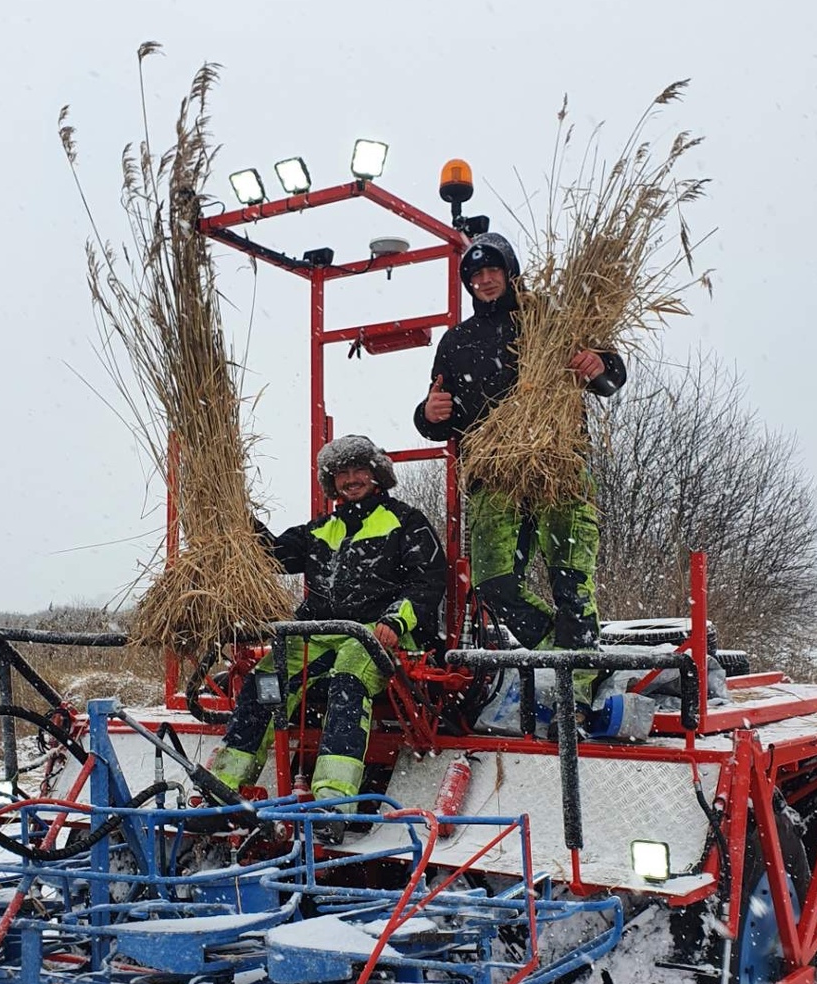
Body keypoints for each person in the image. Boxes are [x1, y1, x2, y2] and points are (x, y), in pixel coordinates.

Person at [413, 233, 626, 707]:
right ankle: (582, 665)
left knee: (571, 581)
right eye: (474, 274)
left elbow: (610, 380)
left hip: (560, 467)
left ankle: (577, 697)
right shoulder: (456, 341)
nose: (484, 280)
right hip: (494, 478)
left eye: (492, 271)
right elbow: (436, 417)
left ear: (510, 273)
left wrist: (601, 364)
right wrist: (428, 413)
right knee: (495, 585)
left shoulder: (549, 319)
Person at [209, 435, 446, 836]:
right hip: (318, 635)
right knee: (266, 680)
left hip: (375, 635)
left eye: (359, 471)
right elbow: (270, 554)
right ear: (331, 482)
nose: (351, 479)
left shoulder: (406, 522)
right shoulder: (318, 531)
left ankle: (332, 804)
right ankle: (224, 790)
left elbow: (428, 581)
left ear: (377, 475)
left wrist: (396, 620)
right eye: (342, 473)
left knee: (347, 679)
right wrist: (235, 515)